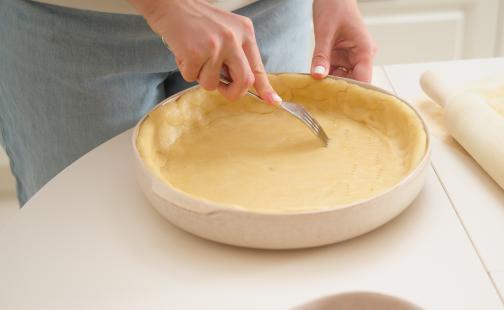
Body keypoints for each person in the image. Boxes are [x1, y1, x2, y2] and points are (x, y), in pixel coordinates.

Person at [0, 0, 376, 206]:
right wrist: (165, 6)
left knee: (275, 221)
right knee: (80, 231)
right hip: (68, 28)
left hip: (264, 18)